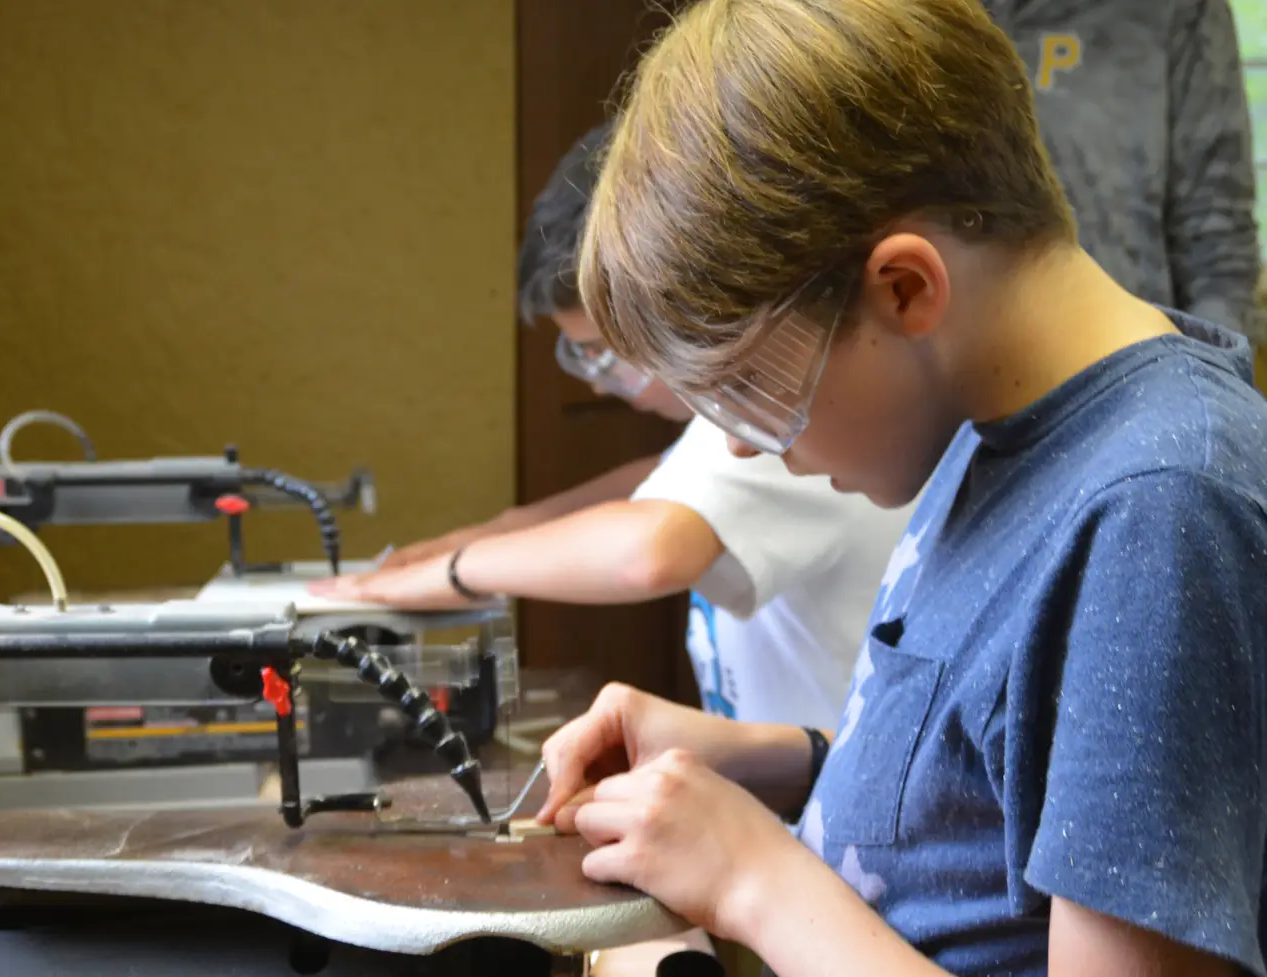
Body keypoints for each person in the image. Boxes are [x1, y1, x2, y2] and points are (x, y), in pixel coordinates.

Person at [534, 1, 1267, 975]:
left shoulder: (1153, 515)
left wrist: (751, 878)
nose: (747, 451)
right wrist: (759, 755)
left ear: (904, 289)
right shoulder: (985, 427)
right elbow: (983, 803)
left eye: (754, 392)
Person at [314, 125, 913, 728]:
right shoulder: (737, 418)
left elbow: (651, 549)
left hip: (833, 801)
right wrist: (502, 529)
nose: (599, 384)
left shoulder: (782, 399)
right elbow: (661, 478)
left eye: (605, 351)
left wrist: (457, 572)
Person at [984, 0, 1260, 344]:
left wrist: (1205, 383)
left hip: (1133, 365)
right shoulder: (923, 15)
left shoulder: (1181, 12)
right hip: (948, 370)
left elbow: (1218, 243)